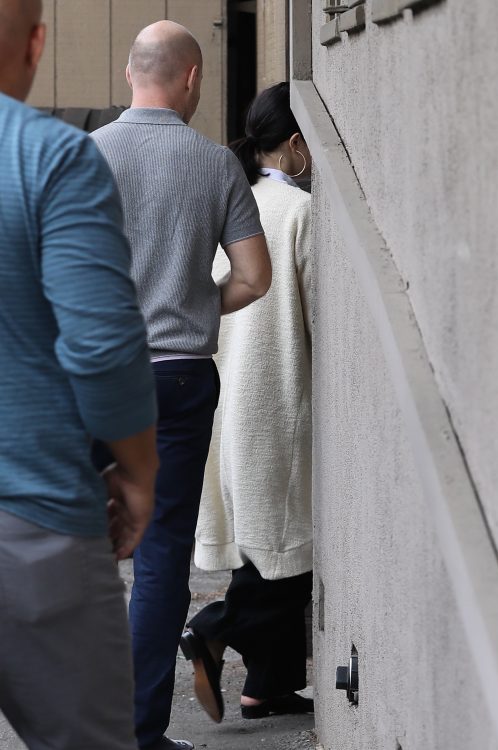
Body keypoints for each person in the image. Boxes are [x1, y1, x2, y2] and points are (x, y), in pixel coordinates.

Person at [91, 20, 271, 750]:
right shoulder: (216, 164)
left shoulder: (83, 155)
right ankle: (139, 733)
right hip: (176, 378)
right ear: (192, 77)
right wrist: (195, 304)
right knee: (162, 553)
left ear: (131, 73)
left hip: (90, 374)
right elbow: (253, 277)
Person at [0, 1, 160, 749]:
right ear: (37, 43)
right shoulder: (48, 156)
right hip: (32, 526)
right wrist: (138, 470)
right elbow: (100, 346)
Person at [181, 82, 314, 723]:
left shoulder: (232, 201)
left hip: (227, 391)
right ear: (296, 143)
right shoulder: (299, 212)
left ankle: (267, 685)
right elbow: (322, 316)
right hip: (278, 394)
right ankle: (214, 626)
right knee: (284, 546)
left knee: (265, 542)